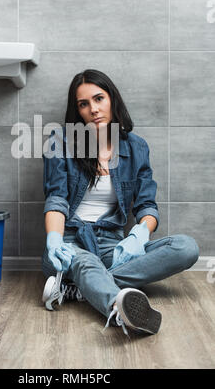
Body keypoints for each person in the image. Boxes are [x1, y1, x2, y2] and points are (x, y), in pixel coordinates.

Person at [41, 69, 199, 336]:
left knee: (186, 247)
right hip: (72, 242)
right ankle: (119, 307)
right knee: (85, 263)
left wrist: (139, 234)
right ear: (77, 111)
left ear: (112, 99)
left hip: (114, 245)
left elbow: (147, 205)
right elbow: (56, 199)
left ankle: (79, 289)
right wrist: (54, 240)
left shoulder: (136, 147)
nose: (93, 109)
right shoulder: (60, 143)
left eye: (99, 98)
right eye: (83, 104)